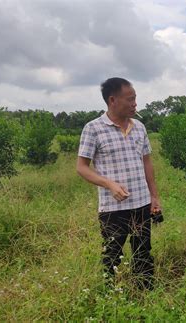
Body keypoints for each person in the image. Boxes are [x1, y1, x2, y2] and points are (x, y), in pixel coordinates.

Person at [77, 77, 161, 289]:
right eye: (130, 99)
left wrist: (154, 196)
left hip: (141, 204)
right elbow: (82, 167)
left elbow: (147, 163)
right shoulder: (93, 128)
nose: (135, 104)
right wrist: (109, 184)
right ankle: (111, 298)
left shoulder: (139, 127)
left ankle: (144, 292)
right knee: (112, 255)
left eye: (135, 99)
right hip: (113, 208)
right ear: (112, 100)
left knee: (143, 251)